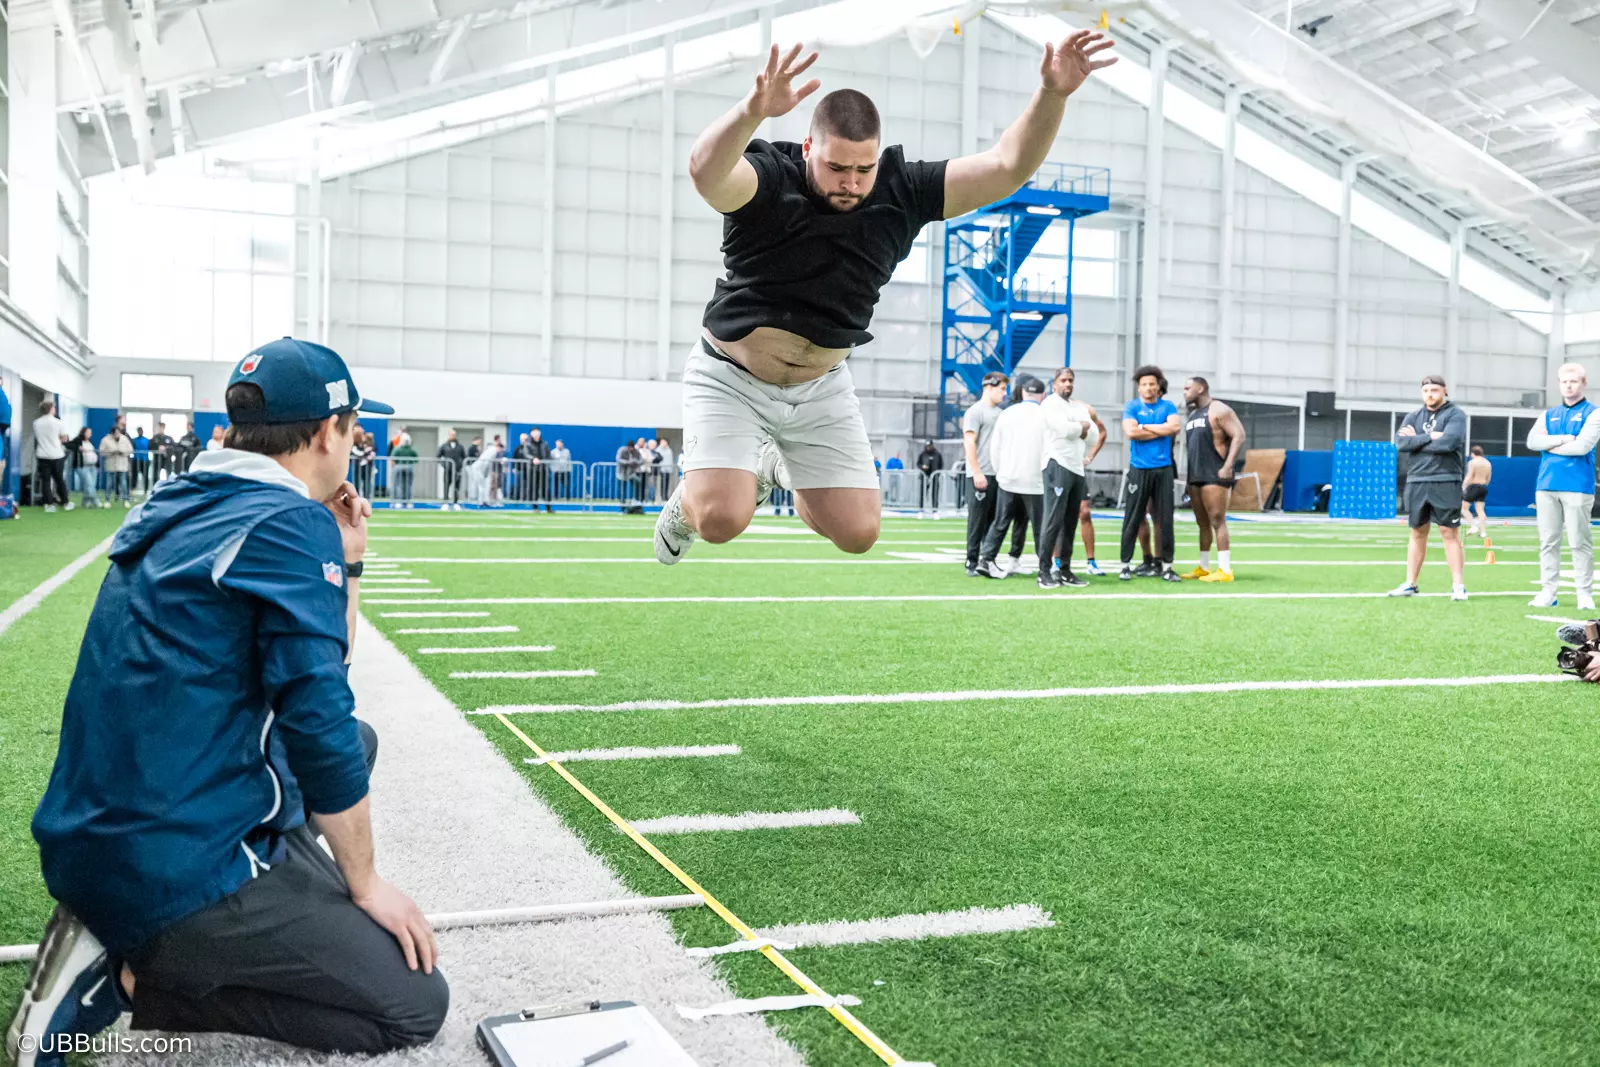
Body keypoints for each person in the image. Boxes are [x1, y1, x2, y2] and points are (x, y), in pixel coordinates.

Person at [10, 338, 446, 1066]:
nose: (356, 442)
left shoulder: (183, 496)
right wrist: (365, 884)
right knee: (413, 1004)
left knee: (359, 741)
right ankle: (125, 977)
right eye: (353, 426)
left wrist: (350, 563)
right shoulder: (285, 523)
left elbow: (318, 673)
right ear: (323, 433)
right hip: (169, 857)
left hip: (100, 824)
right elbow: (317, 720)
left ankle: (180, 916)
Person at [653, 32, 1118, 564]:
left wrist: (1052, 94)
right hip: (731, 375)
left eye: (863, 169)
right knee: (721, 520)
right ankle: (687, 507)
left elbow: (1007, 167)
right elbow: (706, 172)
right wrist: (752, 110)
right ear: (808, 149)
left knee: (858, 533)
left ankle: (773, 466)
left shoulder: (904, 190)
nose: (851, 183)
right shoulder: (768, 180)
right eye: (836, 168)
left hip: (820, 386)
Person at [1528, 362, 1600, 611]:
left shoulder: (1594, 412)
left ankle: (1584, 593)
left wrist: (1549, 446)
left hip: (1578, 485)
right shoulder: (1548, 414)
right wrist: (1561, 439)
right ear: (1559, 384)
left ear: (1583, 383)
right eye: (1564, 382)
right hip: (1546, 484)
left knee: (1579, 540)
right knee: (1548, 541)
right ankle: (1549, 592)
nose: (1568, 386)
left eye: (1574, 381)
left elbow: (1582, 446)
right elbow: (1532, 441)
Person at [1389, 374, 1468, 601]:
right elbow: (1402, 443)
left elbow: (1450, 442)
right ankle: (1410, 584)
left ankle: (1458, 586)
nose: (1430, 394)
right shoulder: (1413, 416)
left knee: (1448, 532)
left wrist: (1419, 440)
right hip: (1417, 480)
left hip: (1446, 479)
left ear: (1444, 391)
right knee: (1417, 531)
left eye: (1434, 390)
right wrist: (1431, 436)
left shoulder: (1455, 415)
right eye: (1425, 391)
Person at [1038, 368, 1105, 588]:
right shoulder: (1050, 403)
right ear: (1055, 384)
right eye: (1063, 380)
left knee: (1070, 521)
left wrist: (1081, 427)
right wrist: (1081, 427)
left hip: (1076, 467)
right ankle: (1044, 571)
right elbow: (1063, 429)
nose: (1068, 384)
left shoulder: (1078, 407)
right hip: (1057, 463)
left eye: (1071, 380)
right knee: (1053, 519)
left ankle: (1065, 570)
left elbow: (1093, 434)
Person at [978, 377, 1048, 579]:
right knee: (1037, 526)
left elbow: (995, 448)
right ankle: (1042, 566)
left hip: (1008, 478)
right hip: (1035, 481)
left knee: (1002, 522)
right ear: (1043, 395)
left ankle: (987, 559)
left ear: (1023, 393)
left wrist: (1001, 473)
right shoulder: (1045, 414)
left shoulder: (1007, 413)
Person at [1180, 376, 1247, 583]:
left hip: (1214, 472)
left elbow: (1239, 435)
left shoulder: (1218, 408)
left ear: (1200, 388)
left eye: (1187, 387)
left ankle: (1225, 570)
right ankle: (1204, 567)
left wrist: (1227, 466)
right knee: (1202, 523)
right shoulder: (1192, 415)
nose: (1184, 391)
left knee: (1217, 520)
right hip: (1195, 475)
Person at [1119, 366, 1182, 582]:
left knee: (1165, 519)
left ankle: (1166, 566)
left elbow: (1174, 428)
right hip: (1139, 469)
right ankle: (1125, 565)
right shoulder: (1132, 406)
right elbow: (1131, 432)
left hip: (1163, 469)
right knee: (1133, 517)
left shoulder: (1168, 406)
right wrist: (1159, 427)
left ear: (1158, 386)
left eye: (1152, 384)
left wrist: (1145, 426)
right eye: (1144, 384)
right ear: (1139, 388)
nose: (1148, 388)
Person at [961, 372, 1009, 576]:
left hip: (998, 473)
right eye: (1002, 389)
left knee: (994, 520)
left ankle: (987, 560)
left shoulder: (1000, 414)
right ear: (989, 387)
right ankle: (971, 561)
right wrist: (977, 471)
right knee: (977, 520)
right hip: (980, 474)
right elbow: (969, 442)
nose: (1005, 393)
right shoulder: (975, 412)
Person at [32, 401, 70, 512]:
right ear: (51, 408)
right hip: (57, 455)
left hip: (42, 455)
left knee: (46, 481)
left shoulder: (36, 423)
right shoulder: (58, 423)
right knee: (59, 480)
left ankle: (48, 504)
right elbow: (64, 438)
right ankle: (65, 502)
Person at [99, 424, 134, 509]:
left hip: (122, 464)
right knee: (109, 483)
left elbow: (130, 450)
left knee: (123, 482)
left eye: (118, 433)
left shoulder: (124, 439)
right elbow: (101, 451)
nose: (117, 435)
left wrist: (123, 452)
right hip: (110, 464)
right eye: (115, 433)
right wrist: (111, 452)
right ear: (111, 433)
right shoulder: (105, 440)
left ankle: (126, 500)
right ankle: (107, 500)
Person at [1462, 445, 1492, 538]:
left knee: (1463, 508)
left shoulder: (1472, 462)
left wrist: (1464, 486)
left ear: (1473, 453)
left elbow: (1470, 475)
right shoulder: (1487, 463)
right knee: (1480, 510)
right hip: (1483, 487)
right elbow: (1488, 478)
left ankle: (1473, 526)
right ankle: (1483, 532)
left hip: (1474, 486)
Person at [68, 428, 101, 508]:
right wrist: (78, 448)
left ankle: (86, 502)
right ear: (83, 432)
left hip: (92, 466)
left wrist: (98, 465)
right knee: (89, 483)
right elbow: (68, 445)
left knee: (91, 485)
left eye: (90, 432)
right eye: (88, 432)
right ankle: (96, 501)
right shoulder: (78, 440)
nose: (90, 434)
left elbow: (94, 453)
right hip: (82, 466)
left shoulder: (90, 442)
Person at [437, 430, 466, 510]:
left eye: (454, 435)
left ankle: (455, 502)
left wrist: (460, 465)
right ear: (448, 435)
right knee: (446, 486)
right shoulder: (444, 446)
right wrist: (444, 465)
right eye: (451, 435)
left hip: (457, 469)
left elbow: (464, 457)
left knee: (456, 486)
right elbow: (438, 456)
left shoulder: (460, 446)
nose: (452, 436)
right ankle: (445, 502)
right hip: (447, 470)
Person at [391, 432, 417, 509]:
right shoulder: (411, 450)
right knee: (408, 485)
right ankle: (407, 501)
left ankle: (398, 501)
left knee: (398, 485)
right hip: (409, 468)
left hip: (398, 468)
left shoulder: (397, 449)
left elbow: (393, 457)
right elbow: (416, 459)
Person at [916, 440, 943, 512]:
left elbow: (941, 465)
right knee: (922, 493)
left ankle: (934, 510)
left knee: (935, 493)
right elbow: (918, 463)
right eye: (927, 446)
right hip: (924, 476)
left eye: (929, 446)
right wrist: (923, 467)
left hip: (934, 476)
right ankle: (921, 509)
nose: (928, 448)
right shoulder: (922, 454)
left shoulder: (937, 454)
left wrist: (937, 474)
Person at [616, 439, 639, 512]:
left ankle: (635, 503)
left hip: (630, 474)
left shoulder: (635, 451)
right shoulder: (622, 450)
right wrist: (628, 462)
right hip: (621, 474)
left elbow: (640, 460)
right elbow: (618, 459)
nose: (631, 449)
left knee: (637, 484)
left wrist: (635, 462)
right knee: (622, 490)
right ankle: (622, 506)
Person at [129, 426, 150, 495]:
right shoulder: (134, 440)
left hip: (145, 460)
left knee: (145, 476)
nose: (140, 432)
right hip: (136, 460)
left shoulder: (147, 440)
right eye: (139, 431)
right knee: (134, 476)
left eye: (141, 431)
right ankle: (133, 490)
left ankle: (146, 490)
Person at [654, 437, 674, 504]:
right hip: (662, 469)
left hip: (668, 469)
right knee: (662, 484)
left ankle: (665, 497)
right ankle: (662, 498)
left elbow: (670, 459)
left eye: (664, 442)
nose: (663, 443)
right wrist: (661, 446)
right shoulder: (659, 449)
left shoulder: (669, 450)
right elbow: (657, 451)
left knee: (666, 484)